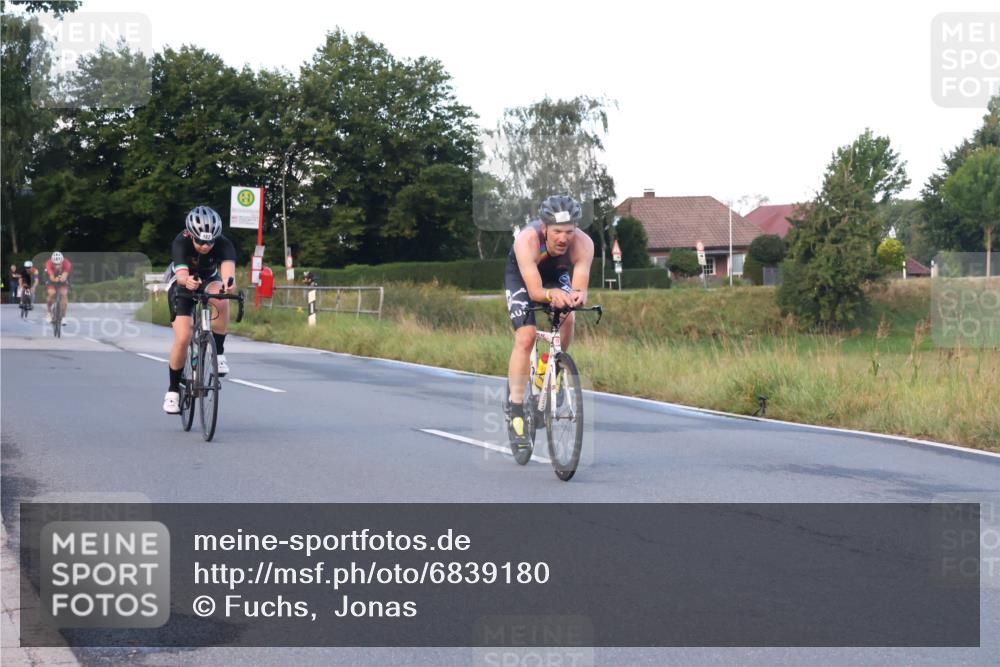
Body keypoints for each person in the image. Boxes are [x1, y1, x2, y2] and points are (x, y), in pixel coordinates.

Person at [503, 195, 594, 449]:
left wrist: (577, 296)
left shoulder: (584, 244)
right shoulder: (527, 241)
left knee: (569, 315)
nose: (564, 238)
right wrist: (550, 295)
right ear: (544, 228)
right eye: (557, 232)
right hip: (523, 278)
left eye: (569, 231)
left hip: (557, 274)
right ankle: (517, 409)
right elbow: (534, 292)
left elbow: (580, 286)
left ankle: (554, 368)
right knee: (526, 336)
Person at [162, 205, 237, 414]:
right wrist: (187, 281)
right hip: (181, 281)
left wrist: (228, 285)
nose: (205, 246)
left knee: (222, 298)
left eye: (210, 242)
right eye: (201, 241)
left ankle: (219, 353)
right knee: (184, 336)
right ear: (191, 235)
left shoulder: (224, 244)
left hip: (208, 278)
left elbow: (228, 274)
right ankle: (173, 391)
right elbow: (182, 275)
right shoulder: (181, 241)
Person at [44, 251, 72, 323]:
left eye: (59, 264)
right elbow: (51, 277)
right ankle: (49, 313)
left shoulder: (67, 263)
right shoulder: (48, 263)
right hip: (51, 277)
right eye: (55, 264)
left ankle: (63, 317)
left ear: (62, 262)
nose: (57, 266)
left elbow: (65, 275)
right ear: (52, 262)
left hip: (62, 276)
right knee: (51, 293)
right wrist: (55, 279)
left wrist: (62, 278)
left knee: (64, 294)